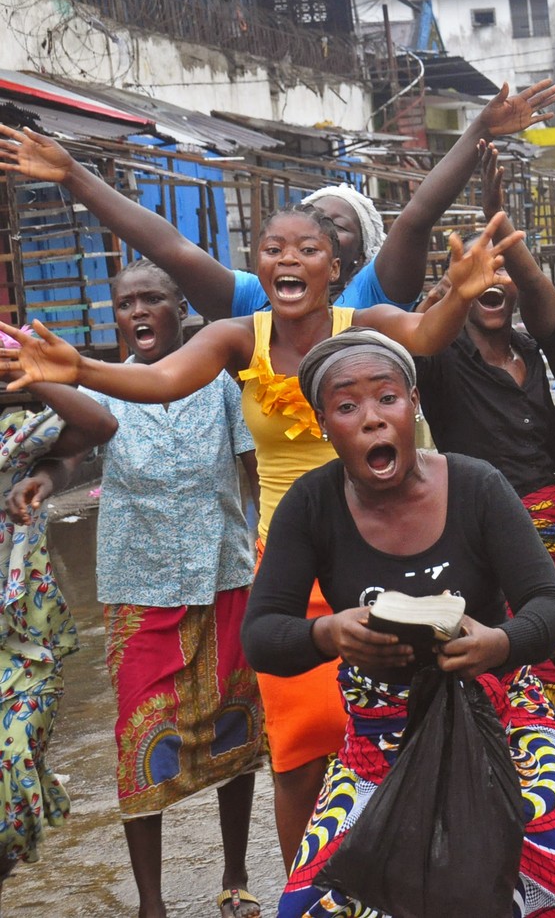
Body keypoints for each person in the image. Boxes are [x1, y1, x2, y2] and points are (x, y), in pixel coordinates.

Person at [0, 206, 519, 868]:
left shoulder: (364, 326)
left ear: (335, 269)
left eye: (307, 249)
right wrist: (78, 370)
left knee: (409, 734)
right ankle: (313, 892)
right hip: (294, 568)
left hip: (393, 554)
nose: (288, 259)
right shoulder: (236, 337)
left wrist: (461, 296)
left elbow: (422, 332)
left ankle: (422, 876)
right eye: (273, 248)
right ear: (259, 265)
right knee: (300, 751)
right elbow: (159, 382)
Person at [240, 329, 555, 917]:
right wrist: (329, 633)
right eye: (347, 406)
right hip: (379, 730)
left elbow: (549, 606)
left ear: (414, 404)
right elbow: (262, 636)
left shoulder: (477, 485)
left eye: (386, 398)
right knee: (321, 900)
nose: (371, 420)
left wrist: (499, 643)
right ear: (321, 423)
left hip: (502, 712)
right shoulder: (310, 505)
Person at [25, 261, 266, 918]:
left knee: (236, 730)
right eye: (125, 302)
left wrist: (276, 548)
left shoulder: (217, 381)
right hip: (139, 588)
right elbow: (73, 448)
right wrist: (44, 482)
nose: (138, 311)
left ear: (177, 307)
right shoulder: (102, 389)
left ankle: (237, 876)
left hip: (225, 577)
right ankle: (152, 905)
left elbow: (255, 468)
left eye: (151, 299)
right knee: (140, 739)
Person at [414, 144, 555, 796]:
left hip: (551, 526)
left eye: (504, 270)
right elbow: (420, 336)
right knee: (527, 686)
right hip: (480, 533)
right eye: (481, 274)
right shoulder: (444, 362)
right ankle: (543, 818)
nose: (495, 280)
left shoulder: (532, 352)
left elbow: (547, 456)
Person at [0, 83, 555, 321]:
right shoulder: (249, 306)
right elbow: (169, 248)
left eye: (326, 234)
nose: (292, 254)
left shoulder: (372, 298)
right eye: (277, 246)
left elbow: (416, 218)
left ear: (349, 258)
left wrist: (477, 128)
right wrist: (74, 175)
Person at [0, 362, 118, 908]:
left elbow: (97, 426)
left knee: (10, 798)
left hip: (21, 653)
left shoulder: (16, 437)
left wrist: (29, 368)